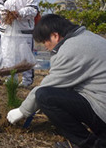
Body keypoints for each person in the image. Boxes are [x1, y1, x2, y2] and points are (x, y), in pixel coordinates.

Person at [7, 14, 106, 148]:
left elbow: (47, 86)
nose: (45, 47)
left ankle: (90, 144)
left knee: (45, 96)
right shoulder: (88, 37)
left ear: (55, 36)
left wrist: (22, 111)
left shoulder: (72, 49)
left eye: (44, 42)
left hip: (102, 111)